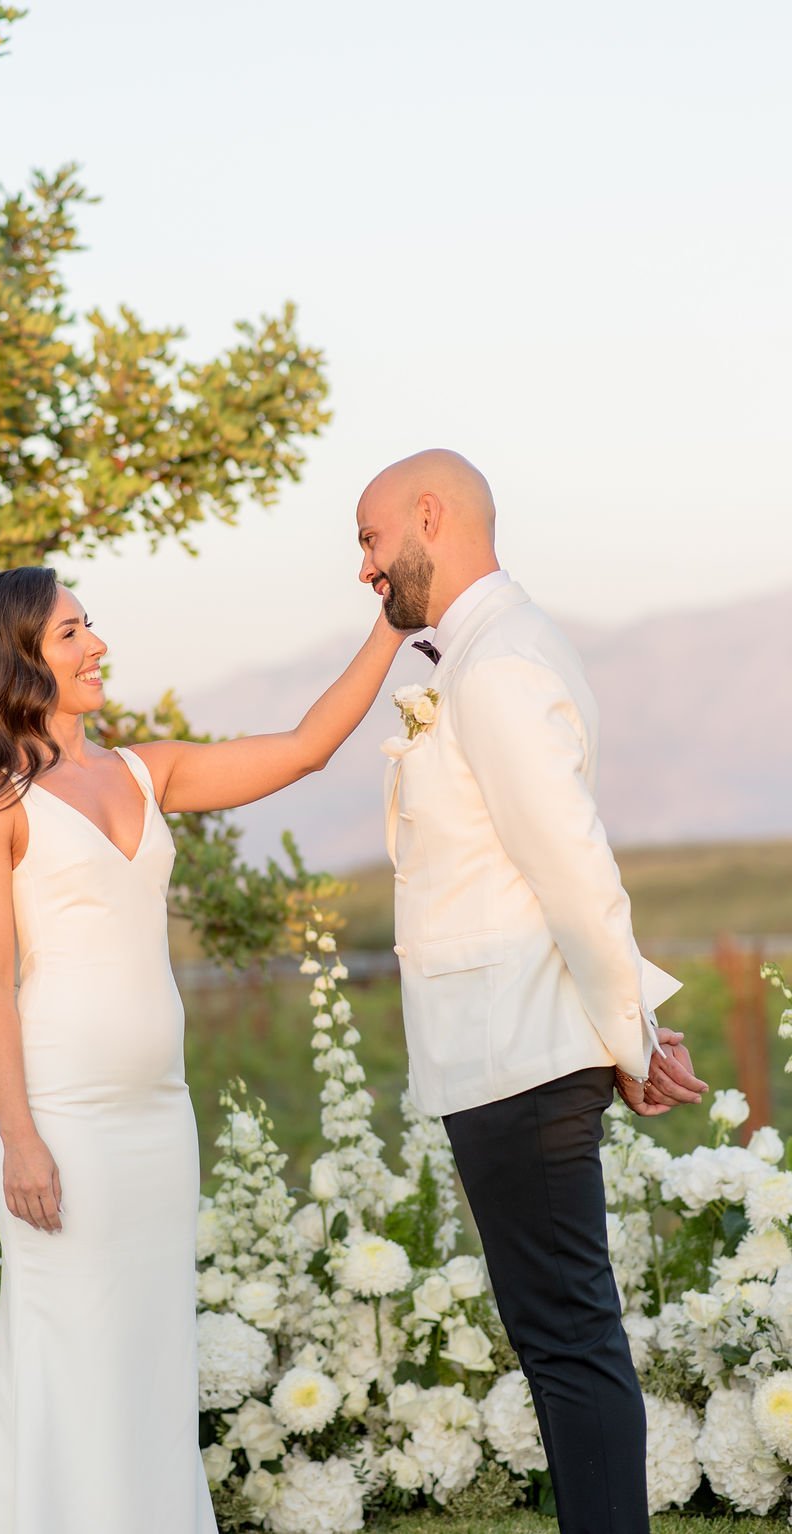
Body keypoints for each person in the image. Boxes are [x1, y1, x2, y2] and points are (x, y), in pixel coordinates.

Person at [0, 566, 406, 1534]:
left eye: (89, 626)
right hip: (58, 1114)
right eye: (71, 632)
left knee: (145, 1345)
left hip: (158, 1110)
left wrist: (390, 624)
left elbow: (306, 749)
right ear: (18, 657)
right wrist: (20, 1139)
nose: (97, 644)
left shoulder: (147, 771)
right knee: (70, 1345)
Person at [357, 449, 708, 1534]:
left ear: (429, 515)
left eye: (371, 540)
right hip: (505, 1049)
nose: (365, 568)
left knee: (567, 1340)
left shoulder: (499, 663)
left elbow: (570, 866)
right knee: (559, 1336)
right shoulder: (482, 653)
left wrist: (630, 1034)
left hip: (518, 1051)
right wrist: (629, 1024)